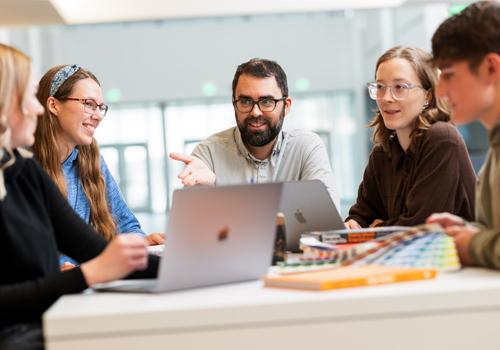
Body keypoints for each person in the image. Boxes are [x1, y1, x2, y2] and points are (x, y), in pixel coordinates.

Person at [0, 43, 157, 349]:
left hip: (46, 327)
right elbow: (96, 265)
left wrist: (201, 265)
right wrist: (89, 273)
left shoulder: (25, 173)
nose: (37, 108)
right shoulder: (32, 168)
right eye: (27, 98)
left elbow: (97, 252)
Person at [33, 64, 164, 269]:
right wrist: (56, 269)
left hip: (84, 279)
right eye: (88, 104)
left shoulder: (91, 160)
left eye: (100, 107)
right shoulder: (24, 167)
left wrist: (139, 243)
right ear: (53, 105)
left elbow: (125, 224)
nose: (98, 116)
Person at [170, 58, 340, 211]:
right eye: (245, 102)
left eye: (267, 101)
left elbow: (328, 222)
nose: (256, 112)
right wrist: (205, 191)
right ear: (234, 104)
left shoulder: (306, 147)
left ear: (286, 106)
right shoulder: (208, 155)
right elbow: (191, 236)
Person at [344, 46, 476, 229]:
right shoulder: (381, 154)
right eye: (380, 87)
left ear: (428, 95)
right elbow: (362, 214)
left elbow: (421, 226)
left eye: (399, 87)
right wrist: (353, 224)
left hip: (458, 257)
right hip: (404, 256)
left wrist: (377, 228)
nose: (386, 98)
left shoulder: (442, 139)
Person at [426, 1, 500, 269]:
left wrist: (473, 243)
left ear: (491, 68)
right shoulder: (495, 146)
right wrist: (468, 230)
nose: (440, 90)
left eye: (449, 74)